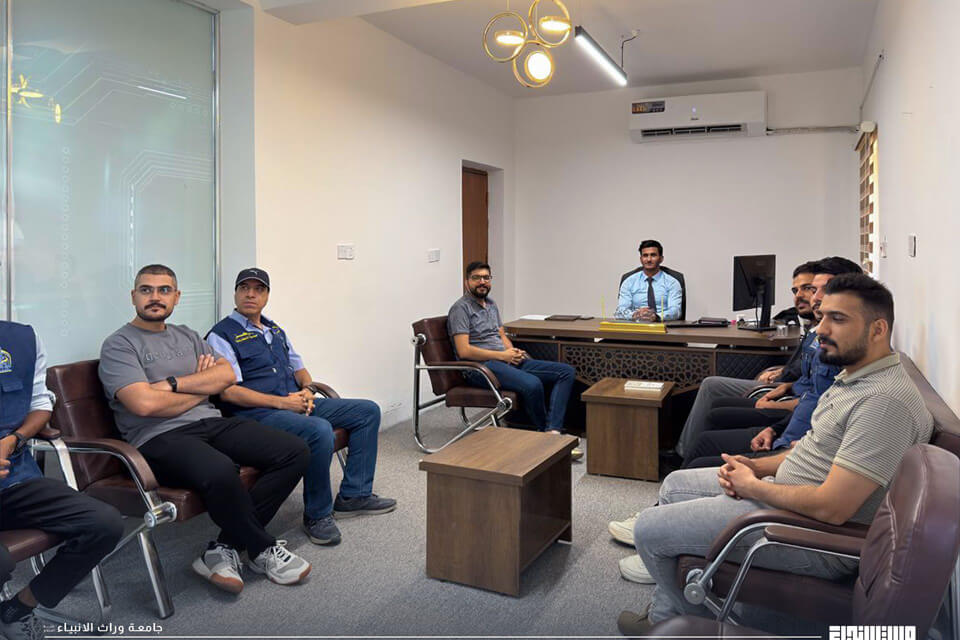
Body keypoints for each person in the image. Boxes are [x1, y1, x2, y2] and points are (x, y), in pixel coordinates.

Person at [617, 274, 934, 635]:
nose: (821, 329)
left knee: (649, 529)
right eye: (823, 316)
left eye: (838, 319)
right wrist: (754, 466)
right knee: (674, 485)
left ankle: (684, 627)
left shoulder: (884, 402)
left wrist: (753, 487)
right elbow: (809, 453)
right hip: (786, 500)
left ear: (878, 329)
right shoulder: (856, 378)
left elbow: (833, 508)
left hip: (809, 534)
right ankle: (668, 614)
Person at [99, 264, 312, 594]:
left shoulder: (187, 335)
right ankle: (261, 548)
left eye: (164, 290)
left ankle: (223, 548)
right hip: (157, 437)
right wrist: (200, 387)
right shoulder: (119, 345)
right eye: (146, 290)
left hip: (211, 422)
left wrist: (172, 385)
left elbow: (226, 376)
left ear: (176, 297)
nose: (155, 297)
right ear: (133, 296)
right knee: (221, 469)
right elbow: (143, 405)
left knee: (294, 451)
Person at [207, 268, 396, 547]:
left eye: (258, 289)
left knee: (367, 411)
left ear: (267, 296)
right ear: (235, 294)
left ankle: (354, 495)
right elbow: (228, 392)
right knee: (318, 430)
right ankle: (317, 515)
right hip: (257, 414)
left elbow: (300, 369)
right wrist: (283, 403)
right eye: (244, 288)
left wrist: (307, 391)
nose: (250, 294)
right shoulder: (221, 335)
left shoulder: (274, 330)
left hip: (292, 404)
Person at [0, 322, 123, 640]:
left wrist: (15, 439)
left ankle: (18, 608)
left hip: (15, 479)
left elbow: (40, 405)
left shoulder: (23, 339)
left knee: (104, 523)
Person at [679, 258, 863, 469]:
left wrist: (776, 411)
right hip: (786, 431)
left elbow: (820, 407)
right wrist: (775, 426)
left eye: (819, 289)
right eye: (812, 290)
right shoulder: (822, 336)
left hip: (793, 451)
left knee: (713, 413)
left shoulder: (846, 354)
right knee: (710, 421)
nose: (815, 297)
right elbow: (812, 396)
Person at [447, 261, 581, 459]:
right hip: (481, 367)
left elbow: (501, 336)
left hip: (504, 360)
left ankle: (552, 431)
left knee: (565, 372)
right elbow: (464, 350)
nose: (482, 282)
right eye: (476, 278)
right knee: (532, 383)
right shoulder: (460, 309)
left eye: (486, 277)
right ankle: (544, 434)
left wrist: (512, 351)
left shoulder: (491, 304)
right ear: (467, 281)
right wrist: (502, 355)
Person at [614, 240, 683, 322]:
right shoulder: (629, 282)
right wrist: (635, 315)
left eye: (653, 255)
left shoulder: (672, 282)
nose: (649, 259)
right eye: (645, 255)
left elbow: (676, 311)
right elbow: (620, 311)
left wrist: (656, 316)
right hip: (636, 325)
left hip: (663, 325)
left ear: (661, 259)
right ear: (641, 259)